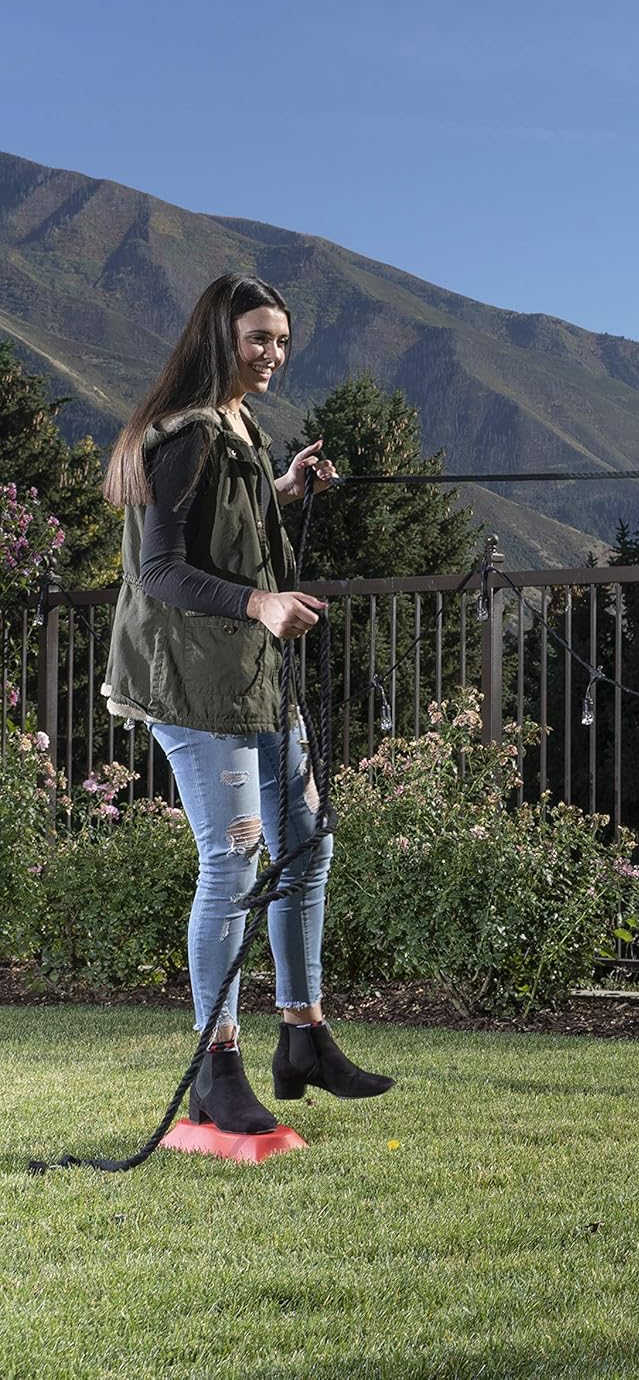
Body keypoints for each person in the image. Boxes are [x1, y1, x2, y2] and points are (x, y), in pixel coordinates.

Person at [102, 273, 393, 1134]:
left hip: (249, 673)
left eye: (282, 341)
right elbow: (160, 569)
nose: (273, 354)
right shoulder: (185, 436)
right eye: (258, 338)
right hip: (191, 680)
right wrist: (261, 602)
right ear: (218, 338)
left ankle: (303, 1039)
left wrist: (286, 488)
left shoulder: (236, 429)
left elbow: (221, 522)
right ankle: (216, 1067)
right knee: (232, 860)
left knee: (305, 843)